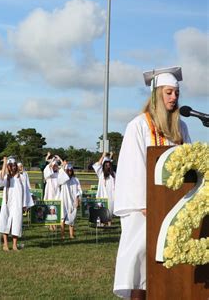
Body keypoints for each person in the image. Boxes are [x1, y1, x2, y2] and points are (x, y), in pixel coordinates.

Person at [113, 66, 191, 299]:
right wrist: (145, 203)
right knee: (141, 264)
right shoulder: (138, 126)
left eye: (176, 93)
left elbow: (190, 163)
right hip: (145, 210)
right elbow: (132, 168)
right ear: (157, 94)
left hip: (175, 206)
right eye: (168, 93)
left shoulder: (181, 127)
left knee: (171, 264)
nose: (174, 98)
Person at [0, 156, 34, 251]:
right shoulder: (6, 177)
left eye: (14, 165)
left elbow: (25, 191)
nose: (12, 167)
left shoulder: (21, 178)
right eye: (10, 165)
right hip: (7, 203)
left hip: (17, 204)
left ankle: (14, 245)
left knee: (16, 223)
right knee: (5, 222)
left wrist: (25, 204)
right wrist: (4, 164)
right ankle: (5, 244)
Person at [57, 163, 82, 239]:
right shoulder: (63, 179)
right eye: (68, 170)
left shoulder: (76, 180)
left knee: (72, 218)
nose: (69, 172)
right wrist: (63, 167)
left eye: (71, 170)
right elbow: (60, 179)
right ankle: (62, 235)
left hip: (73, 201)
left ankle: (71, 235)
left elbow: (79, 190)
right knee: (62, 217)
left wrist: (77, 199)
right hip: (64, 200)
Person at [93, 151, 115, 218]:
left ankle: (109, 223)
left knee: (110, 211)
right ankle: (102, 223)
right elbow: (97, 165)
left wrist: (111, 156)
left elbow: (109, 163)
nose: (107, 166)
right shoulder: (101, 173)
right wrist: (103, 156)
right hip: (102, 195)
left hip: (111, 196)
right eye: (106, 165)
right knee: (102, 211)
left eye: (109, 165)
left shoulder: (113, 174)